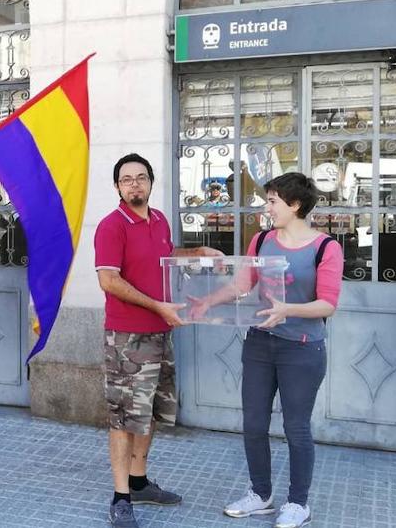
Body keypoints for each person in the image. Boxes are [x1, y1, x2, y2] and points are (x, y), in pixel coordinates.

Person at [95, 153, 222, 528]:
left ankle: (139, 482)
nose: (134, 184)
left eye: (141, 178)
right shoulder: (111, 226)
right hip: (127, 338)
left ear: (151, 182)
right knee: (123, 418)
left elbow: (165, 258)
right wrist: (157, 306)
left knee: (150, 413)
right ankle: (120, 498)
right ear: (117, 186)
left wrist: (196, 253)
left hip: (161, 333)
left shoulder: (160, 219)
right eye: (126, 179)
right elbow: (109, 280)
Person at [218, 172, 343, 528]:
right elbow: (242, 285)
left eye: (272, 201)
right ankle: (261, 495)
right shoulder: (260, 240)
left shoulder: (325, 248)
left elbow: (327, 305)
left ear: (295, 205)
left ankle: (298, 503)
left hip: (302, 348)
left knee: (296, 428)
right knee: (254, 424)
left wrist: (287, 310)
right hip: (259, 343)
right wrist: (203, 301)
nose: (267, 207)